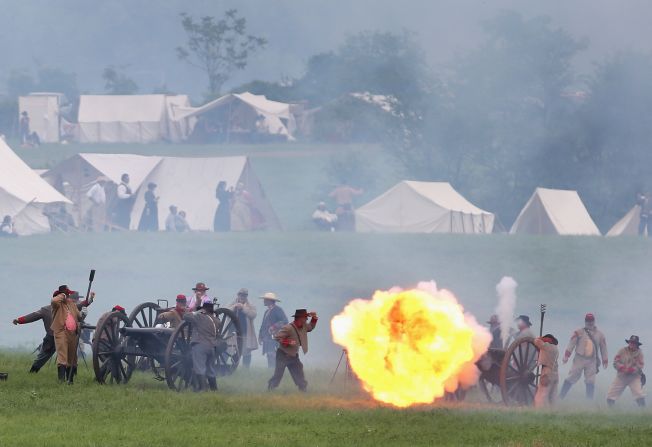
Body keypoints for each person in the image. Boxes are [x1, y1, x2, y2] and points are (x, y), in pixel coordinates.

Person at [559, 313, 608, 400]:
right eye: (588, 321)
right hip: (579, 358)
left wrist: (605, 360)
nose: (590, 322)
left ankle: (589, 401)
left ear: (594, 321)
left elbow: (603, 347)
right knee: (572, 376)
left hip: (592, 360)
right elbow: (571, 343)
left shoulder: (600, 335)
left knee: (590, 380)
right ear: (585, 321)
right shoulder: (579, 332)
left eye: (591, 321)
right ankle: (561, 397)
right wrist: (567, 356)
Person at [267, 309, 318, 392]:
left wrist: (315, 318)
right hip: (283, 355)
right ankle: (270, 388)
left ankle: (303, 389)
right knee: (278, 374)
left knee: (299, 372)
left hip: (293, 356)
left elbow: (311, 327)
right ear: (300, 318)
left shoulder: (304, 326)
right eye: (305, 318)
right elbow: (276, 337)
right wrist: (288, 342)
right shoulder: (288, 328)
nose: (306, 319)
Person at [183, 299, 219, 392]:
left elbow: (186, 316)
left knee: (199, 367)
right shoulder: (216, 320)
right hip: (212, 347)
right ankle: (214, 389)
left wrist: (197, 311)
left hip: (200, 346)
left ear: (204, 309)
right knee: (210, 368)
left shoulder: (200, 317)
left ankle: (203, 388)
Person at [51, 285, 82, 383]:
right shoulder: (57, 304)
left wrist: (83, 314)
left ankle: (70, 380)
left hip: (72, 333)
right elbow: (54, 301)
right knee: (62, 356)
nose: (68, 295)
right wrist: (62, 295)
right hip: (61, 331)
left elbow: (79, 317)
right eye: (67, 293)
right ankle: (61, 380)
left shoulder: (72, 304)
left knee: (72, 357)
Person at [607, 335, 645, 408]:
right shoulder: (622, 351)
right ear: (629, 342)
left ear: (637, 344)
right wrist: (622, 368)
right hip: (621, 376)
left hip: (634, 377)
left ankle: (643, 411)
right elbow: (615, 362)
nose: (632, 344)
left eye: (634, 343)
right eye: (631, 342)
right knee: (610, 395)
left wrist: (632, 370)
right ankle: (611, 410)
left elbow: (640, 366)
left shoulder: (640, 353)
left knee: (639, 394)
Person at [227, 288, 257, 368]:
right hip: (232, 332)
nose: (242, 296)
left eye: (244, 295)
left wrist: (243, 308)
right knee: (230, 349)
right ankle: (230, 367)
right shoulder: (233, 303)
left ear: (246, 296)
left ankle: (245, 369)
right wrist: (235, 306)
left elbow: (253, 314)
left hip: (245, 332)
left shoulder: (250, 305)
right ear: (238, 295)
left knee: (246, 351)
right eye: (241, 294)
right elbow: (226, 311)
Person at [258, 292, 288, 368]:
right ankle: (270, 371)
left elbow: (284, 321)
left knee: (272, 354)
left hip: (275, 336)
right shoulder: (266, 312)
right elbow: (263, 325)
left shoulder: (278, 310)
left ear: (270, 301)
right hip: (267, 337)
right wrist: (260, 336)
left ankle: (274, 370)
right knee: (269, 354)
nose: (264, 301)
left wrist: (274, 326)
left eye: (265, 299)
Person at [533, 334, 559, 408]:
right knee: (552, 395)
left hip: (547, 372)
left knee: (541, 395)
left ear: (548, 340)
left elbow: (535, 341)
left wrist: (542, 338)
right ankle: (553, 411)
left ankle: (539, 412)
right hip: (555, 373)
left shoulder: (546, 346)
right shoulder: (556, 349)